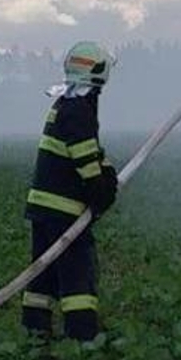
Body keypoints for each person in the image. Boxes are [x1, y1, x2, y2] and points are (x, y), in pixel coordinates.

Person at [23, 41, 118, 341]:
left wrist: (107, 170)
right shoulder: (79, 110)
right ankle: (82, 335)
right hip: (64, 210)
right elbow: (85, 160)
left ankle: (35, 330)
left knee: (43, 272)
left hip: (43, 207)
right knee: (78, 273)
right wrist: (101, 190)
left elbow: (90, 152)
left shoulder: (65, 104)